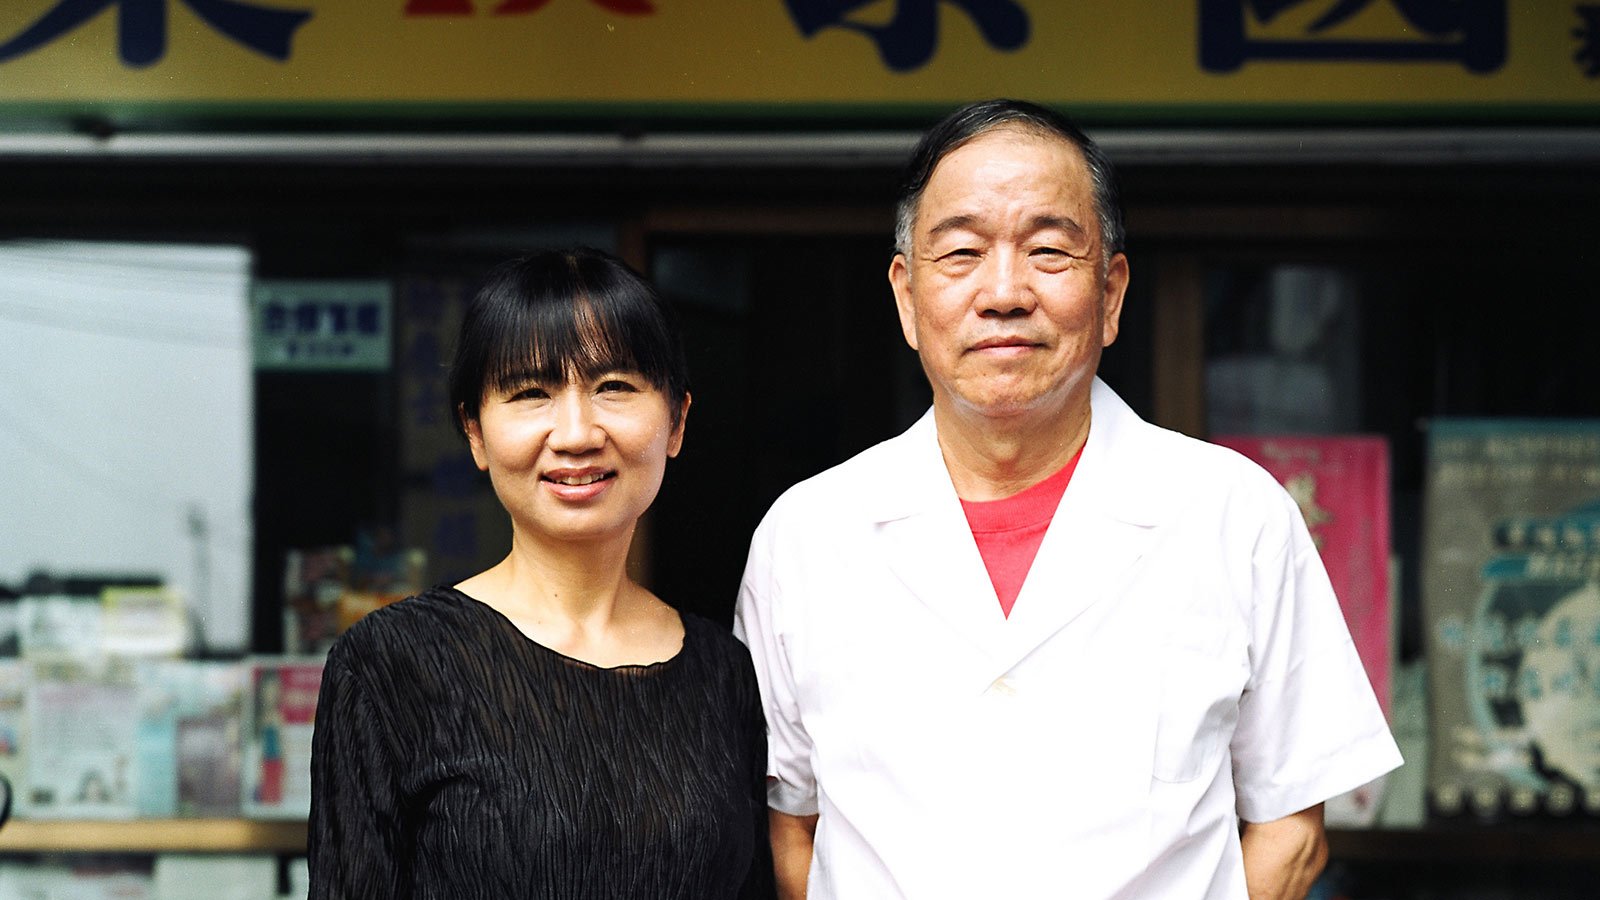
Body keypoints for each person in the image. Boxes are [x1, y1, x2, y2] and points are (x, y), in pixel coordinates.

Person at [734, 99, 1402, 900]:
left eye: (1049, 250)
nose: (1005, 292)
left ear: (1112, 292)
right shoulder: (809, 535)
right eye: (963, 254)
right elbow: (792, 823)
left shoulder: (1234, 514)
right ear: (908, 298)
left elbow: (1291, 827)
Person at [309, 247, 773, 899]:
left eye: (614, 387)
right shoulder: (391, 666)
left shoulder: (725, 674)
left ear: (677, 420)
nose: (577, 432)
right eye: (531, 393)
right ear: (475, 432)